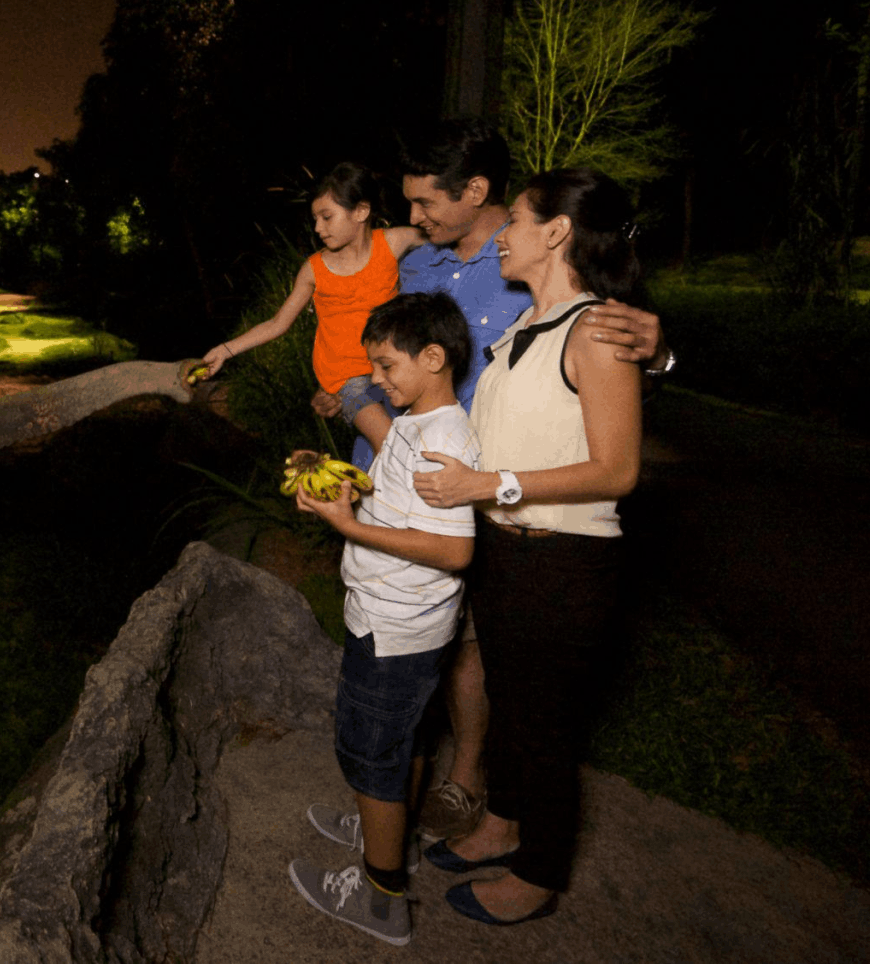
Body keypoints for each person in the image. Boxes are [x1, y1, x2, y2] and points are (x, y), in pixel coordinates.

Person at [310, 118, 670, 845]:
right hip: (406, 479)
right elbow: (378, 341)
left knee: (474, 649)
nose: (412, 217)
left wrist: (658, 355)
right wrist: (354, 394)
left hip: (490, 493)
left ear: (474, 191)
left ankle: (467, 780)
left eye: (424, 203)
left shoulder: (529, 271)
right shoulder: (417, 265)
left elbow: (608, 360)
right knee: (415, 644)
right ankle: (396, 797)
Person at [410, 168, 645, 925]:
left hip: (563, 560)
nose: (501, 234)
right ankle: (499, 824)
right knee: (513, 705)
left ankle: (538, 874)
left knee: (543, 722)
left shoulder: (597, 330)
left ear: (556, 232)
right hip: (509, 552)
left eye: (513, 219)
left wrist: (489, 486)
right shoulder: (525, 324)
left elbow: (616, 468)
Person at [287, 291, 480, 946]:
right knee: (408, 740)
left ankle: (380, 896)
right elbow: (397, 501)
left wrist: (348, 527)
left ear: (432, 358)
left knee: (369, 753)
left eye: (385, 364)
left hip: (396, 627)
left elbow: (454, 548)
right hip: (402, 621)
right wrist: (343, 487)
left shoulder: (441, 441)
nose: (375, 378)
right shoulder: (414, 420)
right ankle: (391, 831)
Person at [199, 163, 425, 453]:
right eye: (315, 219)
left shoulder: (393, 243)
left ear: (360, 211)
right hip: (346, 380)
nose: (318, 228)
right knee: (390, 445)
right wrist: (225, 350)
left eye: (327, 217)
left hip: (392, 367)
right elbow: (277, 324)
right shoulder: (314, 270)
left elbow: (444, 236)